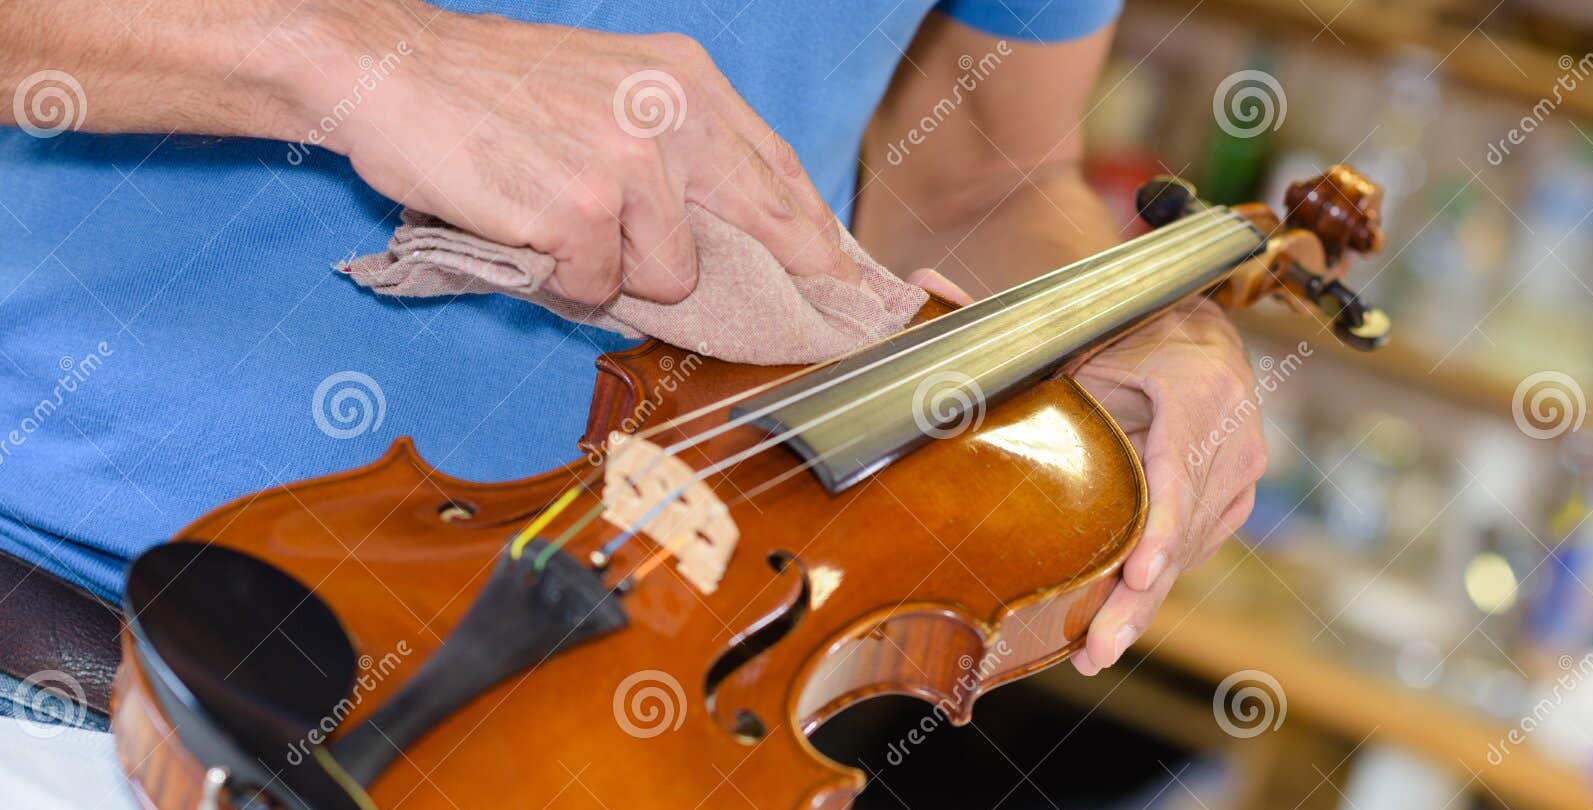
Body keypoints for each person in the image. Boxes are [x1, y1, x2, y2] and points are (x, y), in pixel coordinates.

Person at [0, 0, 1263, 729]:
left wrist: (1133, 316)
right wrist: (367, 56)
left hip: (593, 737)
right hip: (45, 632)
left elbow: (979, 176)